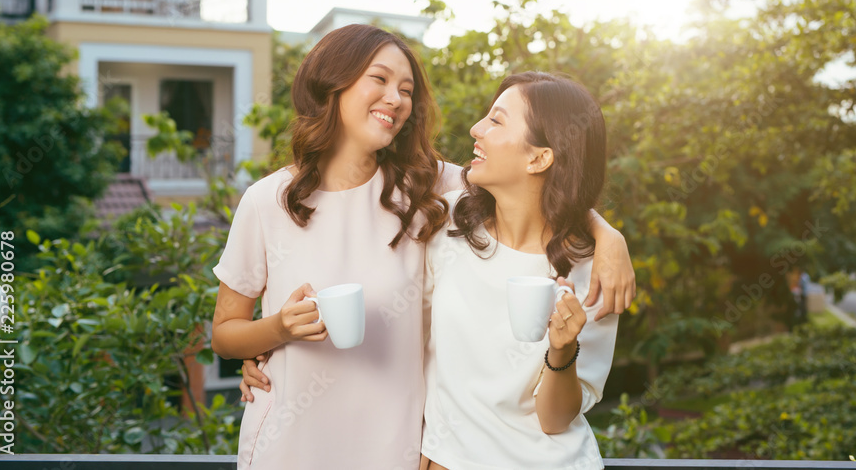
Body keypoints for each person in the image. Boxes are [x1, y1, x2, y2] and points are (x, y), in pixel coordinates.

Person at [212, 24, 634, 470]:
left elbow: (541, 187)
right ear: (332, 83)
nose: (395, 98)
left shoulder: (427, 190)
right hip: (292, 439)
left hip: (394, 445)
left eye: (406, 89)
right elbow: (225, 334)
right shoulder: (267, 200)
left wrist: (608, 236)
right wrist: (277, 331)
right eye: (379, 79)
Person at [420, 71, 617, 470]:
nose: (476, 129)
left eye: (496, 120)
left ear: (539, 157)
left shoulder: (595, 271)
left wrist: (562, 350)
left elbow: (555, 420)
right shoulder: (447, 222)